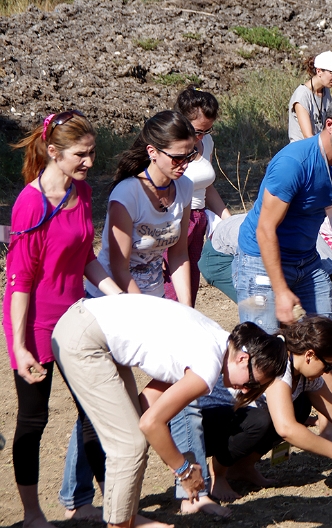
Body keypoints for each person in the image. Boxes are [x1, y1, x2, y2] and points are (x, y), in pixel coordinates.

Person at [52, 294, 287, 528]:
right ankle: (121, 522)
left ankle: (125, 517)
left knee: (131, 437)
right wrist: (184, 471)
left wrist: (177, 462)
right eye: (252, 383)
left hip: (85, 325)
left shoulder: (217, 340)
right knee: (129, 445)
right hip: (85, 337)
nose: (246, 390)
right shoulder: (208, 366)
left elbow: (147, 408)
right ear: (243, 358)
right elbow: (151, 423)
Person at [4, 110, 123, 528]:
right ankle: (33, 514)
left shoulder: (83, 193)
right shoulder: (30, 203)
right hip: (33, 323)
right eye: (80, 154)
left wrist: (120, 298)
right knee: (33, 420)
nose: (89, 162)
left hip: (75, 319)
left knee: (92, 410)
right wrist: (18, 347)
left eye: (92, 153)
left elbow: (86, 258)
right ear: (53, 152)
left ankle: (107, 507)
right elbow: (19, 280)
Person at [197, 317, 332, 502]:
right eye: (328, 365)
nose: (329, 371)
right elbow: (286, 429)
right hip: (207, 420)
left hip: (239, 419)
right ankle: (217, 475)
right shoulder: (279, 364)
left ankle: (242, 468)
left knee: (299, 407)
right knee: (265, 420)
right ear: (310, 355)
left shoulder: (304, 371)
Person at [234, 91, 332, 331]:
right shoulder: (293, 163)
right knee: (264, 349)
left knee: (321, 340)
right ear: (330, 124)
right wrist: (281, 290)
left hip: (306, 260)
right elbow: (265, 229)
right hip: (260, 260)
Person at [86, 110, 196, 303]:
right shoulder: (127, 194)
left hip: (154, 297)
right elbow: (119, 268)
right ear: (152, 152)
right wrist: (144, 310)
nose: (185, 165)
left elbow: (179, 254)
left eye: (190, 156)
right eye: (177, 158)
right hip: (113, 300)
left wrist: (187, 308)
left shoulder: (185, 187)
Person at [164, 86, 231, 304]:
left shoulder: (206, 143)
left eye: (207, 131)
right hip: (173, 220)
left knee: (189, 292)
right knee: (170, 295)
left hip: (198, 220)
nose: (200, 137)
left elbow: (207, 187)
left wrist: (228, 221)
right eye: (196, 131)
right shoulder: (167, 145)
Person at [289, 51, 332, 140]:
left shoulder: (326, 91)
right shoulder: (302, 95)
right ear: (319, 71)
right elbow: (308, 136)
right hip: (303, 150)